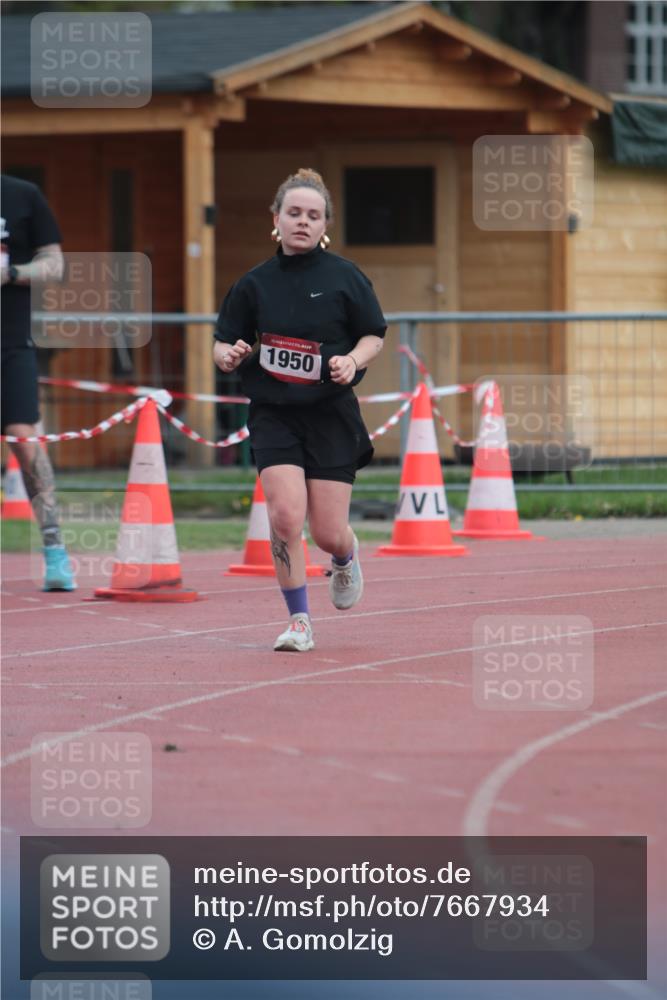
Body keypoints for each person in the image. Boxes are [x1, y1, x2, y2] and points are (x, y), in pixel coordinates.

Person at [214, 168, 385, 652]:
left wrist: (352, 360)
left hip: (330, 413)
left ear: (325, 222)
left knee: (328, 532)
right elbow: (224, 340)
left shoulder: (345, 277)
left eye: (313, 215)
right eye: (294, 213)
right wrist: (227, 355)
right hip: (274, 412)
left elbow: (374, 333)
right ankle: (299, 622)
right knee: (286, 518)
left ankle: (346, 555)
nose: (303, 222)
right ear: (277, 219)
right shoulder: (253, 284)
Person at [1, 173, 75, 590]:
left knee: (24, 436)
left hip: (11, 341)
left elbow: (55, 264)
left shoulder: (22, 194)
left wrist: (10, 274)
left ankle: (54, 548)